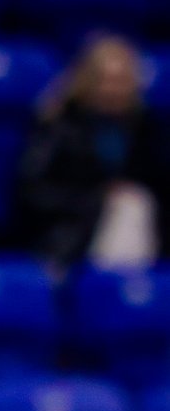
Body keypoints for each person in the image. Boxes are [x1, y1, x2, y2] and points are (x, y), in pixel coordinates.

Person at [14, 31, 170, 274]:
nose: (114, 89)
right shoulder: (58, 126)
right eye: (106, 80)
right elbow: (34, 193)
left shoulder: (147, 129)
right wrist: (97, 200)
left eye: (122, 81)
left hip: (141, 238)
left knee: (133, 202)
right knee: (125, 206)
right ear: (87, 81)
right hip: (69, 238)